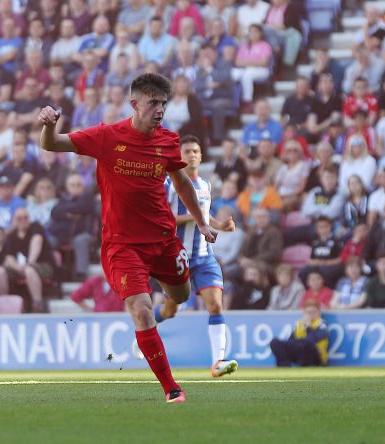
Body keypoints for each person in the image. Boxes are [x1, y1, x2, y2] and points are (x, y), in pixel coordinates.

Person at [37, 73, 218, 403]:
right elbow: (52, 144)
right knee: (142, 311)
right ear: (135, 104)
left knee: (180, 293)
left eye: (163, 103)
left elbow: (181, 184)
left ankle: (171, 304)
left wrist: (202, 223)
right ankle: (171, 388)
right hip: (123, 246)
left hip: (164, 241)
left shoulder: (167, 141)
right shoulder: (107, 137)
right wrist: (49, 124)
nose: (160, 109)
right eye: (153, 103)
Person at [144, 135, 239, 377]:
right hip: (177, 258)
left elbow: (206, 215)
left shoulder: (205, 185)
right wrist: (198, 219)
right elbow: (161, 218)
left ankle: (218, 362)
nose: (192, 155)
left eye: (196, 151)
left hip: (205, 256)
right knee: (170, 310)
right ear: (179, 156)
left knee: (215, 304)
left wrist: (221, 226)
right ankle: (145, 328)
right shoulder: (169, 183)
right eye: (187, 151)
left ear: (201, 155)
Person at [269, 301, 329, 367]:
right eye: (308, 312)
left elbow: (312, 339)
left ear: (319, 313)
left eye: (314, 312)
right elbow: (290, 341)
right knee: (275, 342)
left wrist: (307, 327)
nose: (311, 314)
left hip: (315, 355)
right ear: (304, 313)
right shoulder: (299, 324)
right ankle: (284, 366)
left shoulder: (322, 324)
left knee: (305, 343)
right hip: (299, 351)